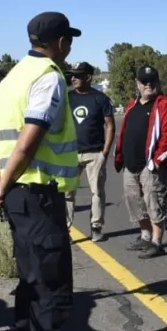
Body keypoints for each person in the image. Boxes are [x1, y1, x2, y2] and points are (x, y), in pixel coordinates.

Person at [0, 11, 97, 331]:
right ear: (60, 42)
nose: (70, 46)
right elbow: (28, 138)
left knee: (30, 283)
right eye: (69, 39)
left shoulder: (13, 77)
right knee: (51, 289)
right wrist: (2, 186)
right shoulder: (49, 77)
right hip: (38, 195)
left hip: (19, 196)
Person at [113, 65, 167, 259]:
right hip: (130, 164)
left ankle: (157, 242)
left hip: (151, 165)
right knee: (134, 201)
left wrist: (157, 161)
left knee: (154, 201)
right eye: (144, 82)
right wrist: (120, 157)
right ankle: (145, 236)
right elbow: (124, 132)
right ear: (138, 84)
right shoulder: (131, 105)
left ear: (158, 82)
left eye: (152, 81)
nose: (148, 85)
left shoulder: (164, 105)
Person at [65, 62, 115, 241]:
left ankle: (96, 227)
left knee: (97, 192)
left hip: (95, 154)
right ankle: (65, 230)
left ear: (88, 77)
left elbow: (110, 126)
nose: (73, 78)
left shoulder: (100, 98)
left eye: (77, 75)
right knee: (67, 193)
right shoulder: (68, 98)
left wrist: (104, 153)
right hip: (70, 154)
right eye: (72, 75)